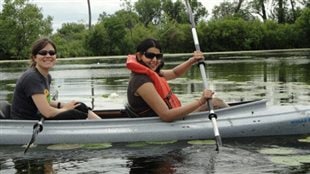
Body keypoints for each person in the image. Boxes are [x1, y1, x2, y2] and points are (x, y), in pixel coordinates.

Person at [126, 38, 228, 122]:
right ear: (139, 56)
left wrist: (191, 61)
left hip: (171, 117)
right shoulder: (141, 81)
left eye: (158, 56)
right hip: (162, 123)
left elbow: (175, 73)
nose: (155, 60)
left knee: (216, 102)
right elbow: (166, 115)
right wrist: (201, 101)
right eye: (150, 55)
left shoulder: (152, 74)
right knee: (216, 103)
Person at [11, 37, 101, 120]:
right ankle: (96, 132)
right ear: (35, 57)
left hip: (38, 116)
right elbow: (47, 112)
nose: (48, 56)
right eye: (43, 53)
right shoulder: (32, 77)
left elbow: (46, 101)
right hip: (27, 122)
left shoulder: (46, 76)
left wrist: (62, 104)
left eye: (52, 53)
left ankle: (103, 126)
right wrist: (65, 108)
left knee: (79, 106)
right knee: (74, 114)